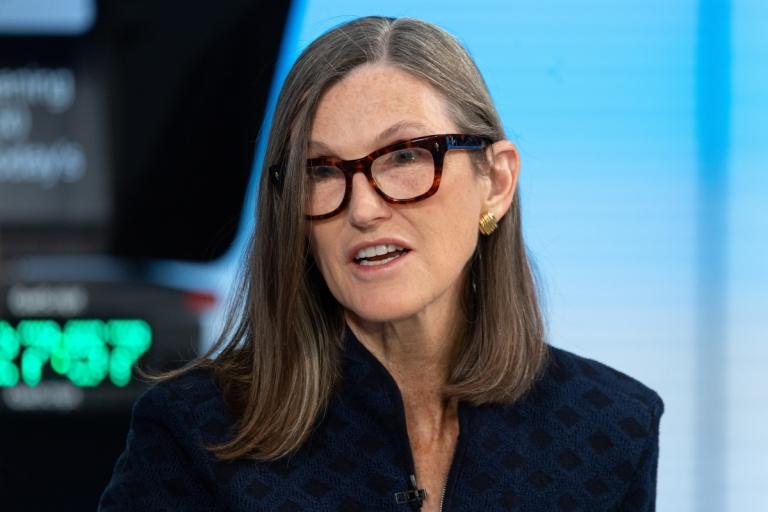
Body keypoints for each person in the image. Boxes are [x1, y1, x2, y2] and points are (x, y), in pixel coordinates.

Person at [99, 16, 663, 512]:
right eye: (322, 170)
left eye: (405, 156)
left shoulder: (611, 427)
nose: (364, 209)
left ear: (495, 182)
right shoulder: (193, 432)